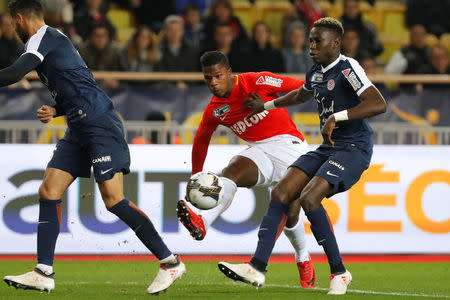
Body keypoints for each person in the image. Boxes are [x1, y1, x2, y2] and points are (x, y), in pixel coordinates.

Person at [1, 0, 185, 295]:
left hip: (99, 123)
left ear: (20, 18)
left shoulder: (42, 39)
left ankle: (170, 262)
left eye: (12, 23)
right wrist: (57, 109)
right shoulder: (52, 40)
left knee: (113, 200)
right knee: (49, 190)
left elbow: (12, 74)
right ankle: (43, 271)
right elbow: (79, 85)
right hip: (78, 125)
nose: (13, 28)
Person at [217, 17, 386, 295]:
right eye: (310, 40)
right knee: (282, 192)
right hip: (329, 147)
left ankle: (339, 272)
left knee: (308, 197)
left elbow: (378, 103)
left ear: (335, 43)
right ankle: (257, 267)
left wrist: (336, 116)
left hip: (354, 147)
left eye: (317, 41)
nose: (311, 46)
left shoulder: (348, 68)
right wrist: (267, 105)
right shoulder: (316, 72)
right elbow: (300, 95)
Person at [176, 50, 317, 289]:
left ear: (230, 72)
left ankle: (303, 258)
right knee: (230, 172)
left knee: (291, 213)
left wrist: (270, 104)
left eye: (218, 76)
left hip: (289, 147)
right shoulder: (214, 109)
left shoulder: (257, 81)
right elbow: (201, 140)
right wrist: (196, 177)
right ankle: (203, 222)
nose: (213, 83)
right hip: (259, 151)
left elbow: (301, 87)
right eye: (208, 78)